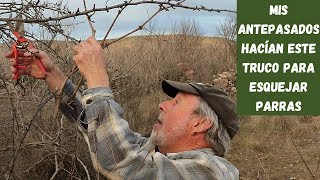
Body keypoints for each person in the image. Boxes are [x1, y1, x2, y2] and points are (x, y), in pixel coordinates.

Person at [5, 36, 240, 179]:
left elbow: (126, 165)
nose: (162, 104)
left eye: (176, 102)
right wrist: (52, 75)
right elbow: (102, 134)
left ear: (200, 123)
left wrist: (97, 77)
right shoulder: (158, 154)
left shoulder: (214, 172)